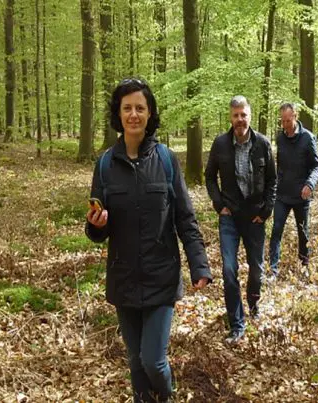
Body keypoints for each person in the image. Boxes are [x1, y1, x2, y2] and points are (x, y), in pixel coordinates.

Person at [85, 78, 212, 402]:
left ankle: (166, 396)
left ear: (150, 113)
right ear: (118, 113)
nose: (133, 114)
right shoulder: (105, 165)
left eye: (140, 108)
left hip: (161, 277)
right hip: (124, 278)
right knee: (135, 363)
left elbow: (185, 218)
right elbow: (97, 228)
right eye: (127, 108)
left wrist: (199, 265)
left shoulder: (167, 161)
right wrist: (96, 225)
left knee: (153, 361)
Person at [205, 95, 276, 344]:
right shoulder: (220, 144)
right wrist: (219, 204)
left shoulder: (263, 144)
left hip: (255, 217)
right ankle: (237, 323)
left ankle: (254, 303)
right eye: (235, 115)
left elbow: (272, 180)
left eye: (243, 115)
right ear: (230, 117)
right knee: (228, 269)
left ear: (250, 116)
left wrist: (266, 211)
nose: (239, 120)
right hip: (230, 217)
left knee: (256, 269)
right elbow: (209, 176)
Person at [268, 103, 318, 280]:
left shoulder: (308, 138)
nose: (285, 125)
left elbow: (316, 167)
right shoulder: (280, 138)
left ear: (295, 117)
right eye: (282, 121)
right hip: (282, 194)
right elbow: (279, 166)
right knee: (276, 230)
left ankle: (304, 266)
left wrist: (309, 185)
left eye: (288, 121)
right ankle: (273, 269)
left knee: (303, 232)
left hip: (301, 195)